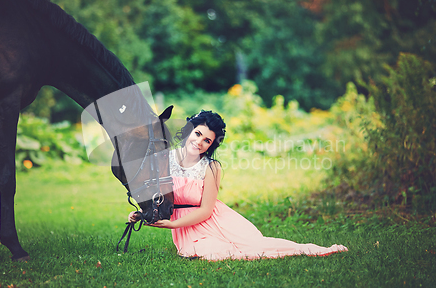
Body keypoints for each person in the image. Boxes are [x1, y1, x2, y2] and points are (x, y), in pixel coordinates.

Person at [128, 110, 348, 260]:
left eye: (207, 140)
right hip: (188, 231)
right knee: (214, 252)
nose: (200, 142)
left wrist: (174, 225)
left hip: (215, 221)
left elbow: (206, 210)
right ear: (188, 131)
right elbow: (157, 196)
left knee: (253, 248)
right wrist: (141, 214)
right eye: (198, 134)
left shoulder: (212, 168)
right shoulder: (165, 160)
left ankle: (310, 249)